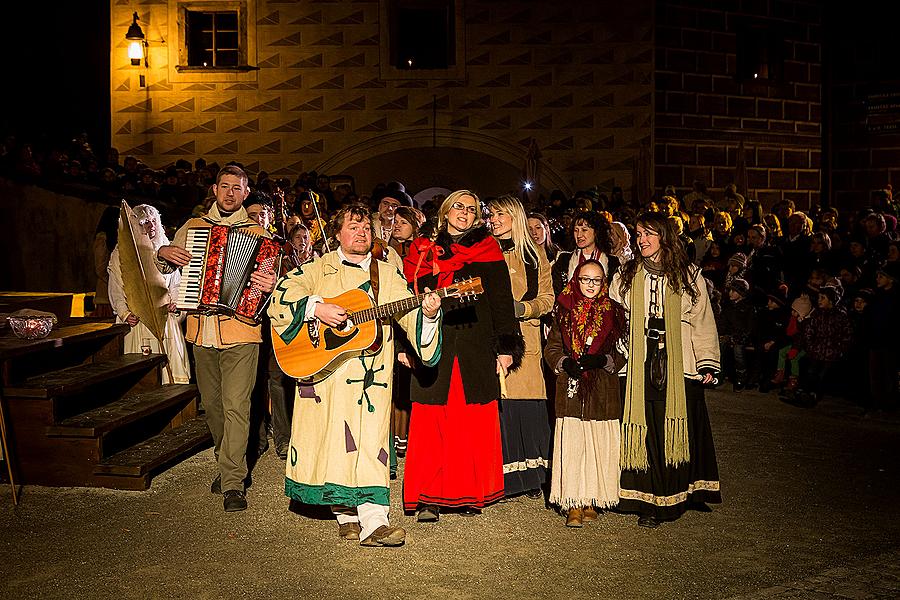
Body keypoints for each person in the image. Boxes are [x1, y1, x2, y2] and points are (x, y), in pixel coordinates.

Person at [267, 203, 442, 547]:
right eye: (353, 227)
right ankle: (345, 513)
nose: (361, 234)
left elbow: (409, 315)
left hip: (370, 379)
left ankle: (375, 521)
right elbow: (280, 298)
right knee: (332, 442)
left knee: (371, 444)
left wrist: (430, 314)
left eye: (366, 229)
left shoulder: (387, 274)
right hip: (325, 374)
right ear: (336, 234)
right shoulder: (317, 268)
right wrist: (316, 307)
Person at [154, 165, 277, 513]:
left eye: (236, 189)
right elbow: (165, 270)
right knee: (214, 407)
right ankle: (228, 459)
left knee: (238, 406)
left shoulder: (259, 235)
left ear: (245, 193)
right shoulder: (192, 229)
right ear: (214, 188)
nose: (229, 194)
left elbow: (270, 288)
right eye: (224, 187)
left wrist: (269, 285)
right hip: (200, 330)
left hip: (242, 330)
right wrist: (162, 255)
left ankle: (233, 481)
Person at [402, 190, 524, 521]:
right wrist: (404, 348)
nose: (465, 212)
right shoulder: (423, 249)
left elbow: (501, 298)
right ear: (444, 212)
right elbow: (403, 301)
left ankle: (472, 492)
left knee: (471, 420)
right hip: (432, 343)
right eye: (458, 206)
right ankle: (428, 497)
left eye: (471, 209)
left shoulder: (487, 248)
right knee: (431, 419)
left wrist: (506, 347)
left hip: (476, 343)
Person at [610, 212, 722, 528]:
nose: (641, 240)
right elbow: (614, 318)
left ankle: (686, 491)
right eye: (638, 234)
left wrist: (707, 361)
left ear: (664, 237)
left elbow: (702, 320)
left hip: (680, 361)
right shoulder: (626, 275)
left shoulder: (688, 275)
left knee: (682, 426)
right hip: (638, 360)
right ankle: (651, 501)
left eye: (648, 234)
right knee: (647, 428)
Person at [544, 260, 626, 527]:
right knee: (574, 443)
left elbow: (624, 350)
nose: (591, 285)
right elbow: (552, 347)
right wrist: (564, 363)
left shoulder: (615, 313)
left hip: (602, 388)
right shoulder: (564, 311)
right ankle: (573, 502)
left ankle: (593, 497)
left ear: (604, 283)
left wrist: (603, 360)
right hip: (572, 388)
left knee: (597, 444)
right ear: (576, 281)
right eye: (585, 279)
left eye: (597, 280)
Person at [488, 195, 554, 499]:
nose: (495, 219)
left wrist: (522, 309)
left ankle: (530, 477)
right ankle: (498, 478)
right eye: (492, 214)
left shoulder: (535, 254)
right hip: (492, 341)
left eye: (501, 214)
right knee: (499, 408)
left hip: (526, 341)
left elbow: (548, 299)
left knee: (524, 406)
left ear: (515, 216)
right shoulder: (484, 251)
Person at [107, 204, 190, 384]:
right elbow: (116, 287)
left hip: (165, 318)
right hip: (138, 319)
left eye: (154, 221)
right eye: (145, 222)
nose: (151, 226)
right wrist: (124, 313)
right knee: (141, 376)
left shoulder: (166, 249)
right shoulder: (121, 253)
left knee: (170, 376)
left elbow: (175, 284)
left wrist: (176, 304)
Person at [551, 211, 616, 297]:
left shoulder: (612, 262)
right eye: (576, 230)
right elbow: (556, 292)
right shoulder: (564, 260)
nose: (579, 235)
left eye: (584, 230)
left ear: (596, 232)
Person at [91, 206, 119, 318]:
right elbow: (100, 268)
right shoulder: (102, 238)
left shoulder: (117, 238)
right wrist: (115, 280)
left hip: (116, 293)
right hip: (106, 295)